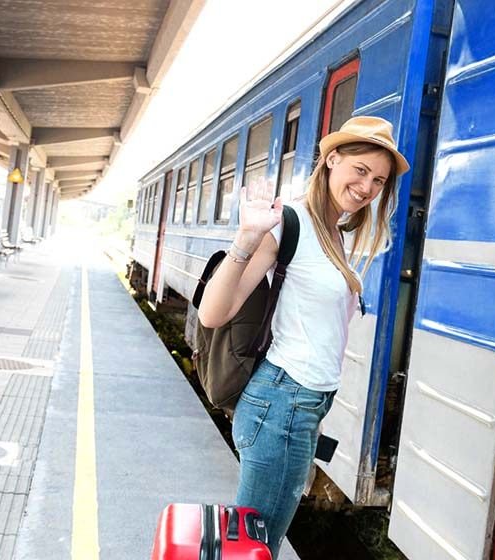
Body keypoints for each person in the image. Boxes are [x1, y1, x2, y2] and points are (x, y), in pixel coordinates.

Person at [197, 116, 409, 554]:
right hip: (282, 406)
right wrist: (246, 237)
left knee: (256, 544)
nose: (368, 187)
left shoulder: (337, 232)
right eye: (361, 170)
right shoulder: (289, 223)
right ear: (332, 159)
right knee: (255, 548)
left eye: (379, 180)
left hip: (300, 407)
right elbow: (214, 313)